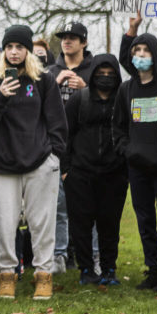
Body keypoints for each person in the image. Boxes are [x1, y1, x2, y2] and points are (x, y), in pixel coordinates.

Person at [0, 24, 68, 300]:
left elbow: (56, 120)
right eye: (9, 47)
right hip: (1, 165)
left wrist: (54, 155)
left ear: (27, 50)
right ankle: (7, 274)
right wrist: (1, 97)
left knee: (41, 223)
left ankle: (43, 274)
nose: (14, 52)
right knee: (5, 224)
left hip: (39, 161)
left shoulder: (43, 79)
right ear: (3, 51)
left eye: (19, 47)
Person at [112, 28, 157, 292]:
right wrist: (128, 151)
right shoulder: (126, 89)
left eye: (146, 51)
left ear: (155, 55)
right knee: (145, 220)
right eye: (136, 51)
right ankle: (153, 269)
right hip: (137, 166)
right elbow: (118, 128)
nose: (141, 55)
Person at [65, 53, 127, 286]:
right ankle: (86, 270)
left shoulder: (122, 101)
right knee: (80, 225)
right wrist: (66, 169)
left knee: (110, 224)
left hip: (114, 174)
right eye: (100, 74)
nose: (105, 78)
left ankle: (109, 268)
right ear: (92, 75)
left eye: (111, 74)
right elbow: (66, 135)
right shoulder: (78, 100)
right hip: (80, 174)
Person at [48, 21, 92, 273]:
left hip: (84, 148)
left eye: (74, 37)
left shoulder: (93, 69)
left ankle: (90, 256)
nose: (67, 41)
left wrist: (86, 89)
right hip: (56, 146)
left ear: (83, 42)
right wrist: (54, 84)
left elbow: (104, 105)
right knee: (58, 206)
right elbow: (37, 105)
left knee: (87, 208)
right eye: (64, 37)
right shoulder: (50, 70)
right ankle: (59, 256)